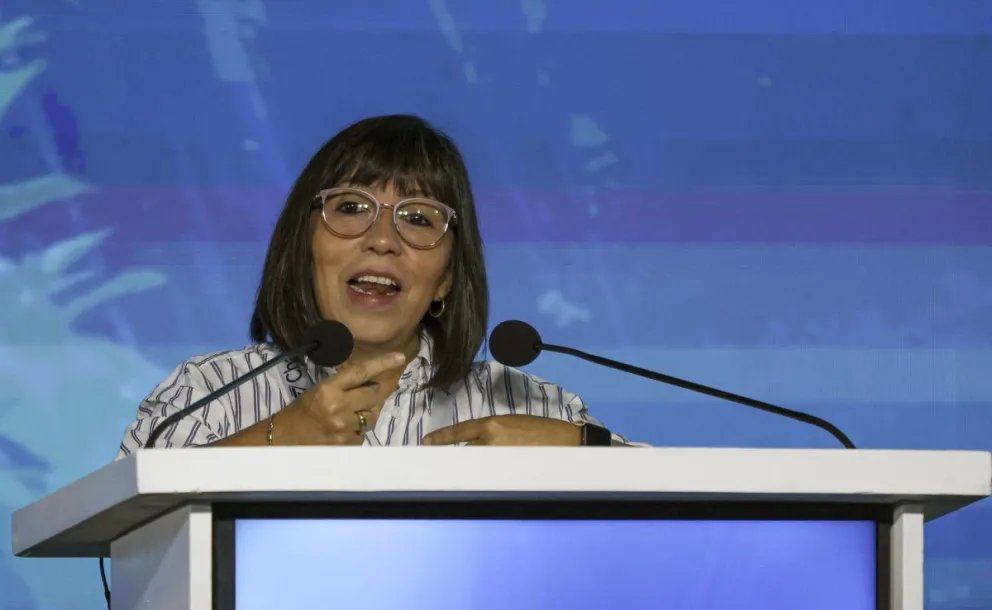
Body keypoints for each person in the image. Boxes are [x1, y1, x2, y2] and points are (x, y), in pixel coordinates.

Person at [116, 114, 632, 458]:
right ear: (303, 248)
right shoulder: (207, 392)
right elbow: (120, 516)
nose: (382, 240)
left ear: (447, 278)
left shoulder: (529, 404)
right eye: (351, 208)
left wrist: (585, 450)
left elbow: (693, 512)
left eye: (420, 218)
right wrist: (278, 438)